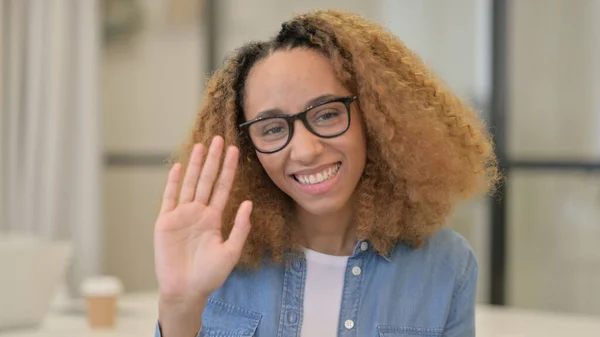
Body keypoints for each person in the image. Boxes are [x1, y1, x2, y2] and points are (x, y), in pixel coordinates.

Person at [153, 9, 499, 337]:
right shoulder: (216, 259)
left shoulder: (447, 264)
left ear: (376, 117)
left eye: (327, 114)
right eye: (272, 128)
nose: (305, 151)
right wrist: (179, 306)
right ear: (248, 148)